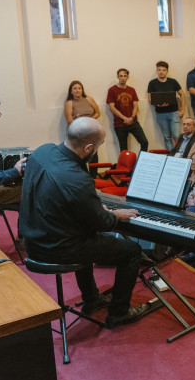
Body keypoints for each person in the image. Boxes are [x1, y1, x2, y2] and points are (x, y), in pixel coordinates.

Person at [18, 117, 153, 327]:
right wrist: (115, 214)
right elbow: (102, 223)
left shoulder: (42, 151)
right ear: (88, 147)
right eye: (98, 146)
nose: (97, 150)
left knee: (86, 235)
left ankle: (92, 299)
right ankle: (119, 312)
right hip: (57, 249)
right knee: (131, 250)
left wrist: (91, 208)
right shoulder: (77, 179)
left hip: (32, 241)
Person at [106, 68, 149, 152]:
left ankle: (140, 163)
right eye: (121, 76)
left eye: (125, 76)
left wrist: (132, 118)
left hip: (133, 122)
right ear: (117, 77)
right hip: (120, 124)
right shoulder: (112, 90)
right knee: (124, 149)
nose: (123, 78)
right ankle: (126, 165)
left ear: (127, 77)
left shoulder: (131, 90)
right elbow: (112, 108)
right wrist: (124, 118)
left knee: (144, 142)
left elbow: (136, 106)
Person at [146, 60, 185, 148]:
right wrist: (156, 104)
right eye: (159, 70)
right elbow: (149, 98)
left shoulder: (173, 81)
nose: (161, 72)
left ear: (167, 71)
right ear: (157, 71)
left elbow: (182, 94)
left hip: (173, 112)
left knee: (177, 136)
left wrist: (182, 109)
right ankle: (171, 157)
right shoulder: (152, 83)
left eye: (163, 70)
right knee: (167, 137)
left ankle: (180, 156)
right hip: (160, 114)